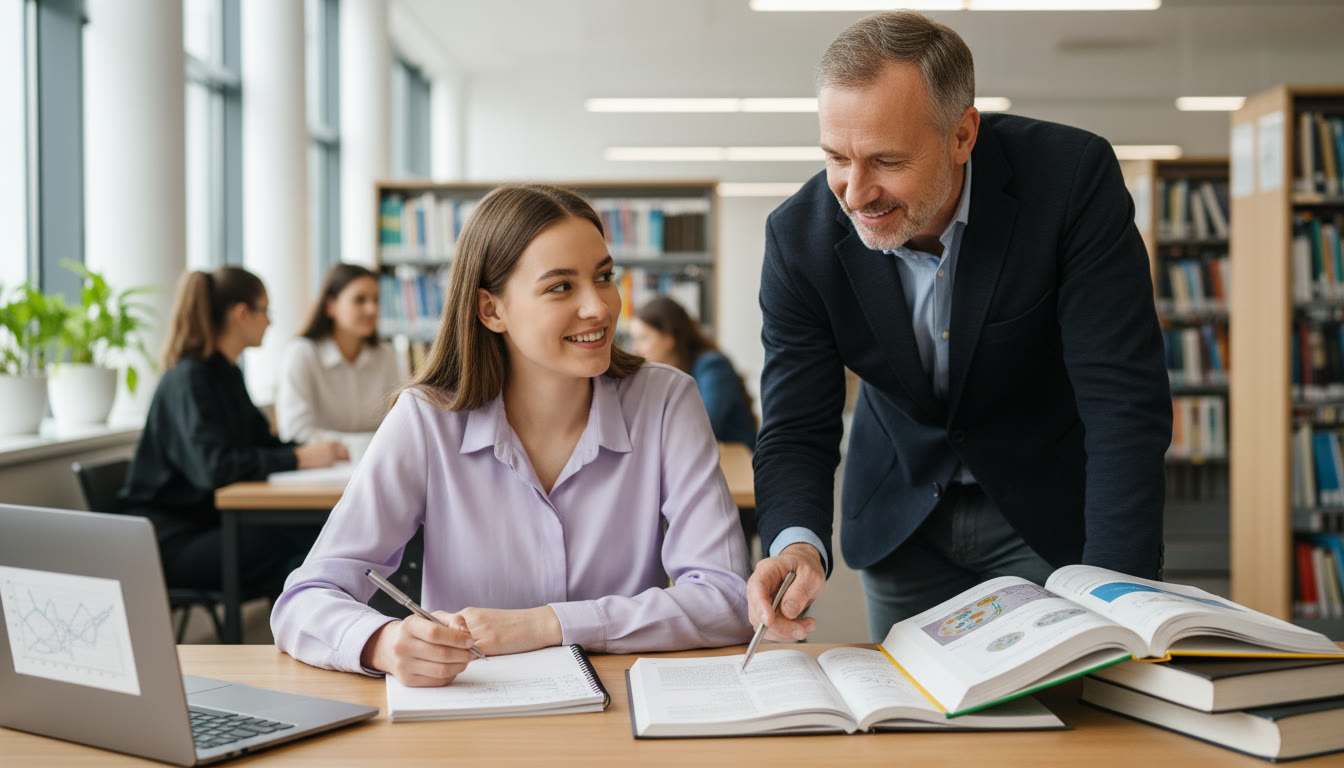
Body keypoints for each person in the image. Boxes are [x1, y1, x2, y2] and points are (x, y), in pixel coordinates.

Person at [747, 11, 1172, 644]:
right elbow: (795, 424)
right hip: (902, 517)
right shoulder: (799, 238)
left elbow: (1122, 400)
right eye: (836, 157)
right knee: (916, 722)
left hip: (1047, 511)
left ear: (962, 134)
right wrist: (796, 544)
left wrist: (1119, 590)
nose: (856, 193)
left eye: (886, 160)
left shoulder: (1070, 181)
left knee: (1069, 721)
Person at [271, 184, 752, 686]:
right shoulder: (426, 419)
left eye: (604, 277)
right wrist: (384, 643)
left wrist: (546, 624)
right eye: (561, 287)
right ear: (490, 310)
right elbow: (304, 600)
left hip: (622, 716)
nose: (601, 307)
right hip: (471, 721)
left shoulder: (666, 401)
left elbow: (727, 598)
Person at [119, 267, 348, 599]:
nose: (269, 322)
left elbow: (259, 445)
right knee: (307, 540)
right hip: (170, 541)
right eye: (265, 310)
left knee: (320, 532)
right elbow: (216, 468)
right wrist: (299, 457)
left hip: (210, 525)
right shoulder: (189, 379)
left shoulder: (225, 374)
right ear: (242, 313)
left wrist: (311, 452)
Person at [275, 263, 402, 452]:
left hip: (375, 464)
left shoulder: (386, 354)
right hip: (320, 471)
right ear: (330, 306)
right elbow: (296, 432)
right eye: (360, 300)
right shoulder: (302, 353)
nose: (372, 309)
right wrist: (368, 445)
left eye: (376, 300)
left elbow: (398, 424)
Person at [630, 296, 757, 450]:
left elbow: (703, 427)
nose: (635, 349)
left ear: (668, 338)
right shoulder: (662, 376)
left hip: (738, 463)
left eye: (643, 338)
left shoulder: (712, 366)